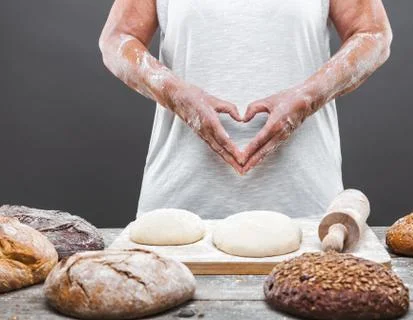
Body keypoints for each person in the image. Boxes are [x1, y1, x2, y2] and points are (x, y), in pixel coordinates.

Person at [99, 0, 392, 219]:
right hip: (177, 205)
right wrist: (175, 93)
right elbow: (117, 39)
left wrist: (307, 97)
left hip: (303, 205)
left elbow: (373, 35)